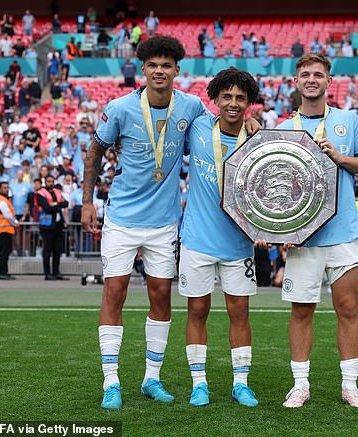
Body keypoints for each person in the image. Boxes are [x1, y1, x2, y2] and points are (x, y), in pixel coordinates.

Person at [81, 35, 258, 411]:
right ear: (143, 70)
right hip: (122, 219)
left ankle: (151, 378)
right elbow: (95, 150)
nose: (159, 71)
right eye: (153, 65)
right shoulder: (120, 108)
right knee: (114, 292)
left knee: (161, 296)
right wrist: (86, 202)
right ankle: (111, 381)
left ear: (178, 70)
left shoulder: (191, 107)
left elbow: (226, 123)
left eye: (167, 65)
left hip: (165, 224)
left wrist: (252, 121)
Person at [276, 54, 358, 409]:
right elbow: (278, 185)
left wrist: (340, 158)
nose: (312, 79)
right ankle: (300, 385)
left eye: (318, 74)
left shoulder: (348, 119)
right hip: (303, 237)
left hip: (344, 232)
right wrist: (280, 227)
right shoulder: (285, 126)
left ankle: (350, 385)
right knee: (301, 310)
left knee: (348, 308)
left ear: (329, 81)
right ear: (297, 81)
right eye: (305, 74)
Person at [179, 67, 261, 407]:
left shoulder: (258, 139)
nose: (233, 103)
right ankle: (199, 383)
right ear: (215, 98)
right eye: (227, 96)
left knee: (239, 312)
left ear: (249, 103)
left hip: (239, 242)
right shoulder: (198, 127)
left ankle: (240, 383)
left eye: (241, 98)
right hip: (197, 239)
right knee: (197, 310)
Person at [37, 174, 68, 280]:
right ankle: (47, 273)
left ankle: (56, 272)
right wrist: (58, 205)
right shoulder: (40, 193)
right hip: (47, 226)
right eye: (49, 181)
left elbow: (66, 203)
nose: (51, 183)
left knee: (57, 250)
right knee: (47, 250)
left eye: (52, 181)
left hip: (58, 225)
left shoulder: (57, 191)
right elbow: (46, 208)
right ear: (45, 182)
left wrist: (55, 204)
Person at [0, 181, 19, 279]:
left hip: (3, 230)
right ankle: (2, 273)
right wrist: (15, 223)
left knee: (5, 252)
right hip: (3, 230)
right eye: (4, 188)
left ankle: (4, 272)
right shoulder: (1, 201)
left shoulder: (1, 199)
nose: (6, 190)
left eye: (7, 188)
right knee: (4, 252)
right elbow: (8, 215)